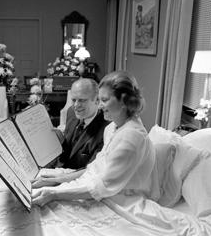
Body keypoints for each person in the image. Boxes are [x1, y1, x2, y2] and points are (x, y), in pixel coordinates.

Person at [32, 71, 156, 207]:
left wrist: (54, 194)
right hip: (94, 185)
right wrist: (58, 180)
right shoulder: (113, 128)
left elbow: (102, 187)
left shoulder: (131, 137)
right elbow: (94, 168)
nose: (100, 106)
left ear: (124, 102)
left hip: (120, 199)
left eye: (104, 100)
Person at [54, 78, 109, 169]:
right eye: (73, 100)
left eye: (82, 100)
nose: (76, 105)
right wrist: (61, 140)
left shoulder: (106, 128)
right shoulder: (71, 112)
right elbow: (69, 152)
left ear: (97, 100)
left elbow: (94, 169)